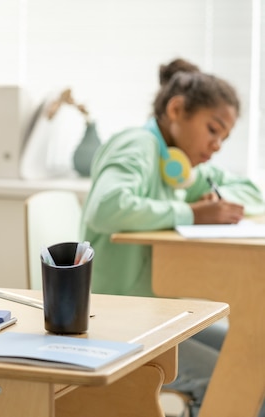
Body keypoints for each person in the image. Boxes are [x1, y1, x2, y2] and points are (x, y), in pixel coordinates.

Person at [80, 58, 265, 416]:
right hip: (118, 318)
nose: (217, 146)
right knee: (235, 379)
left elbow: (253, 191)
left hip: (161, 314)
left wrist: (219, 203)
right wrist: (192, 213)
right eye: (213, 130)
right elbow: (105, 207)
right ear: (177, 109)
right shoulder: (136, 146)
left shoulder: (176, 166)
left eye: (224, 138)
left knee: (253, 359)